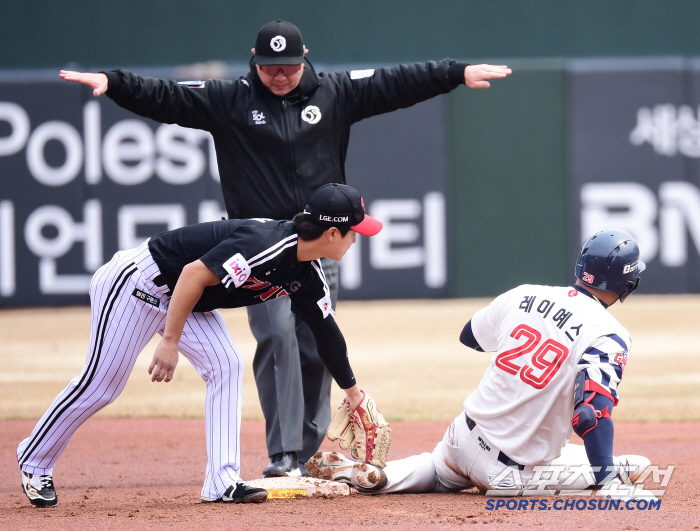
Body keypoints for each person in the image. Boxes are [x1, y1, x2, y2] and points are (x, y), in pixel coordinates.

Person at [58, 19, 512, 477]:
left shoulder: (335, 92)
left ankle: (311, 454)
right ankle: (282, 454)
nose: (280, 74)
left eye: (289, 66)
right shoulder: (230, 99)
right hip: (257, 247)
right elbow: (165, 97)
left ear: (304, 58)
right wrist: (113, 82)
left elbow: (394, 83)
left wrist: (455, 73)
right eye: (269, 67)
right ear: (255, 62)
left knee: (316, 339)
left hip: (320, 245)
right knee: (276, 336)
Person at [17, 183, 384, 507]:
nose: (357, 240)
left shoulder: (307, 271)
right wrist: (170, 342)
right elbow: (193, 273)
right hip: (141, 284)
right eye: (355, 232)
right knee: (102, 385)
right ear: (333, 233)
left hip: (186, 298)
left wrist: (353, 393)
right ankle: (34, 460)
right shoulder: (266, 245)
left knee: (226, 364)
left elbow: (327, 333)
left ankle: (222, 481)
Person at [309, 229, 656, 499]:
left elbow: (470, 337)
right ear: (628, 284)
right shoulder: (609, 333)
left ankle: (381, 476)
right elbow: (590, 414)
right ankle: (609, 478)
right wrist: (606, 480)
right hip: (509, 475)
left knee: (440, 468)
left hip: (462, 437)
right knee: (633, 465)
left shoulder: (525, 293)